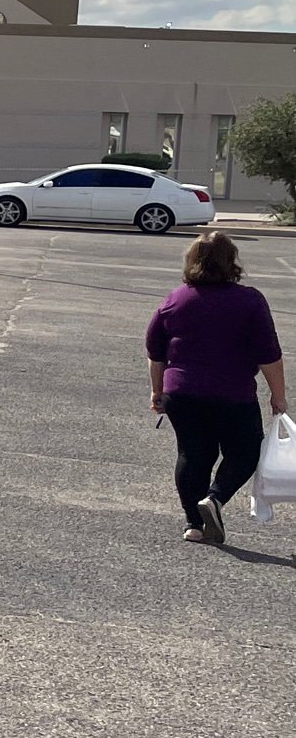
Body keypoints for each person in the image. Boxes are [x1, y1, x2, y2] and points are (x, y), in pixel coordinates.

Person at [146, 231, 286, 545]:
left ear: (192, 261)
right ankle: (215, 498)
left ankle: (194, 525)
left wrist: (157, 392)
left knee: (193, 454)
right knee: (245, 452)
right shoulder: (249, 300)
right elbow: (269, 355)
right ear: (231, 262)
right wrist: (278, 395)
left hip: (181, 393)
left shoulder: (175, 299)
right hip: (231, 394)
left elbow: (156, 351)